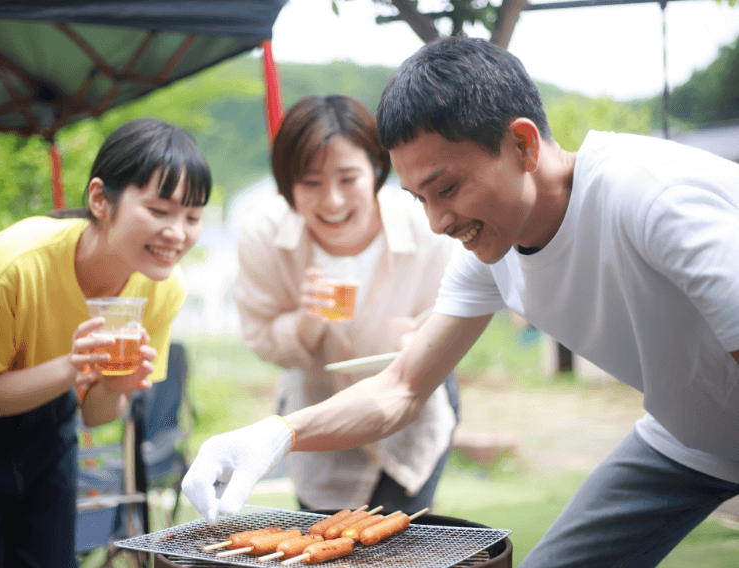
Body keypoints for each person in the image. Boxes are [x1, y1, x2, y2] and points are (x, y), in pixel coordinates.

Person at [181, 36, 739, 566]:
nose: (438, 222)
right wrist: (278, 434)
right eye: (419, 198)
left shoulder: (654, 202)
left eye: (447, 189)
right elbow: (401, 387)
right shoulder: (488, 254)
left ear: (522, 143)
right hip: (686, 439)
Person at [0, 117, 211, 568]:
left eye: (193, 216)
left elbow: (95, 413)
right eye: (160, 211)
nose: (177, 234)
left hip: (46, 416)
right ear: (101, 200)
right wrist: (73, 367)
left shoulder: (163, 286)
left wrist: (117, 387)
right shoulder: (12, 265)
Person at [232, 94, 458, 513]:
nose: (332, 201)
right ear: (286, 186)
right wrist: (304, 322)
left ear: (376, 170)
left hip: (411, 408)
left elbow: (451, 317)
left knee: (394, 545)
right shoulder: (263, 236)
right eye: (311, 183)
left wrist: (419, 339)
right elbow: (261, 336)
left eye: (348, 178)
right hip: (317, 413)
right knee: (326, 543)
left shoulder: (427, 228)